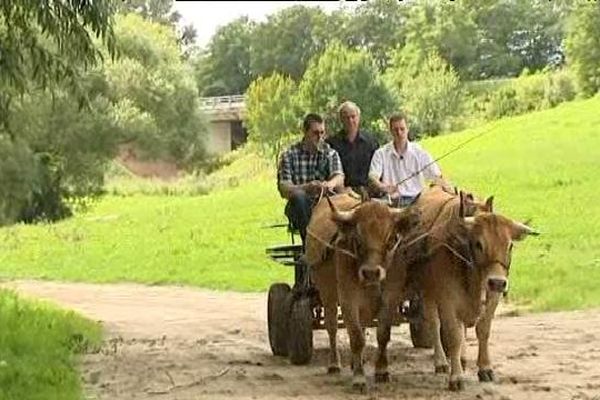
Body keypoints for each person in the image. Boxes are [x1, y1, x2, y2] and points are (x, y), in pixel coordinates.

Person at [277, 113, 345, 247]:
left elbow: (339, 177)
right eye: (315, 133)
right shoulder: (289, 155)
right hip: (301, 206)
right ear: (305, 132)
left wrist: (329, 184)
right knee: (299, 197)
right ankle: (310, 244)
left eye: (322, 133)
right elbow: (284, 187)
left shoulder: (330, 153)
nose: (319, 137)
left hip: (325, 203)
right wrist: (307, 187)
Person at [369, 112, 451, 207]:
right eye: (395, 130)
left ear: (407, 129)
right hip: (392, 202)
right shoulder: (381, 153)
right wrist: (383, 187)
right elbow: (373, 177)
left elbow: (436, 176)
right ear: (390, 131)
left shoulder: (419, 152)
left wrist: (448, 190)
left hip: (417, 202)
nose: (399, 133)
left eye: (402, 129)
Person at [326, 101, 379, 195]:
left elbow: (377, 171)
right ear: (341, 120)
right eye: (346, 118)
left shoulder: (371, 142)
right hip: (341, 193)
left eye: (353, 116)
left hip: (368, 193)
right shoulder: (331, 144)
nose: (350, 120)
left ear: (359, 118)